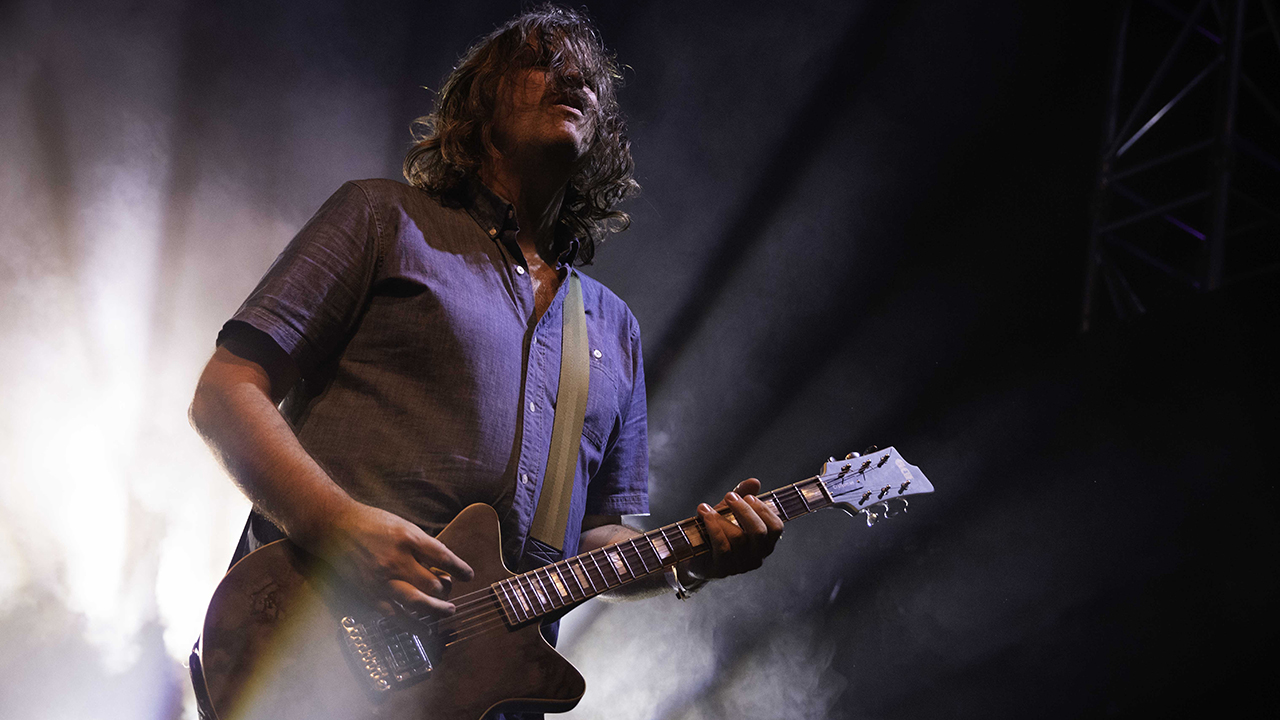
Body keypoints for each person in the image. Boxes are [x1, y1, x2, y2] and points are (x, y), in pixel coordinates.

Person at [188, 4, 782, 716]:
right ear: (480, 103)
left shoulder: (612, 328)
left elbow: (598, 538)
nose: (573, 79)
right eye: (544, 62)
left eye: (588, 77)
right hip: (305, 646)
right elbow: (226, 391)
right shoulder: (384, 218)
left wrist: (694, 555)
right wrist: (342, 531)